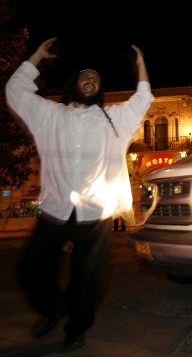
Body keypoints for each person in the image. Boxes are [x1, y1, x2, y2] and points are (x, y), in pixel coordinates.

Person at [5, 38, 153, 352]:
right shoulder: (49, 115)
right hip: (55, 209)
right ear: (74, 84)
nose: (92, 79)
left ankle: (76, 329)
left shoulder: (114, 120)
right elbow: (16, 89)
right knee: (29, 269)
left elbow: (143, 99)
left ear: (100, 89)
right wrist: (37, 57)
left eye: (97, 78)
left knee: (88, 279)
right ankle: (53, 307)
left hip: (94, 213)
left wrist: (139, 63)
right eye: (86, 76)